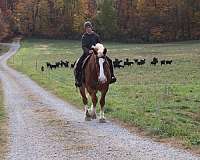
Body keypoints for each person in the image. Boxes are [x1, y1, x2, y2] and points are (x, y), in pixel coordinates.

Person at [74, 21, 116, 87]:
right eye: (86, 28)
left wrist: (99, 50)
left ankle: (112, 76)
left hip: (97, 53)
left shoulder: (96, 36)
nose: (88, 29)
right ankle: (78, 80)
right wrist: (88, 51)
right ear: (85, 29)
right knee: (79, 63)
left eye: (89, 27)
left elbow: (99, 44)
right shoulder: (84, 37)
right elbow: (83, 46)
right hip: (87, 53)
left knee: (109, 60)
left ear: (91, 27)